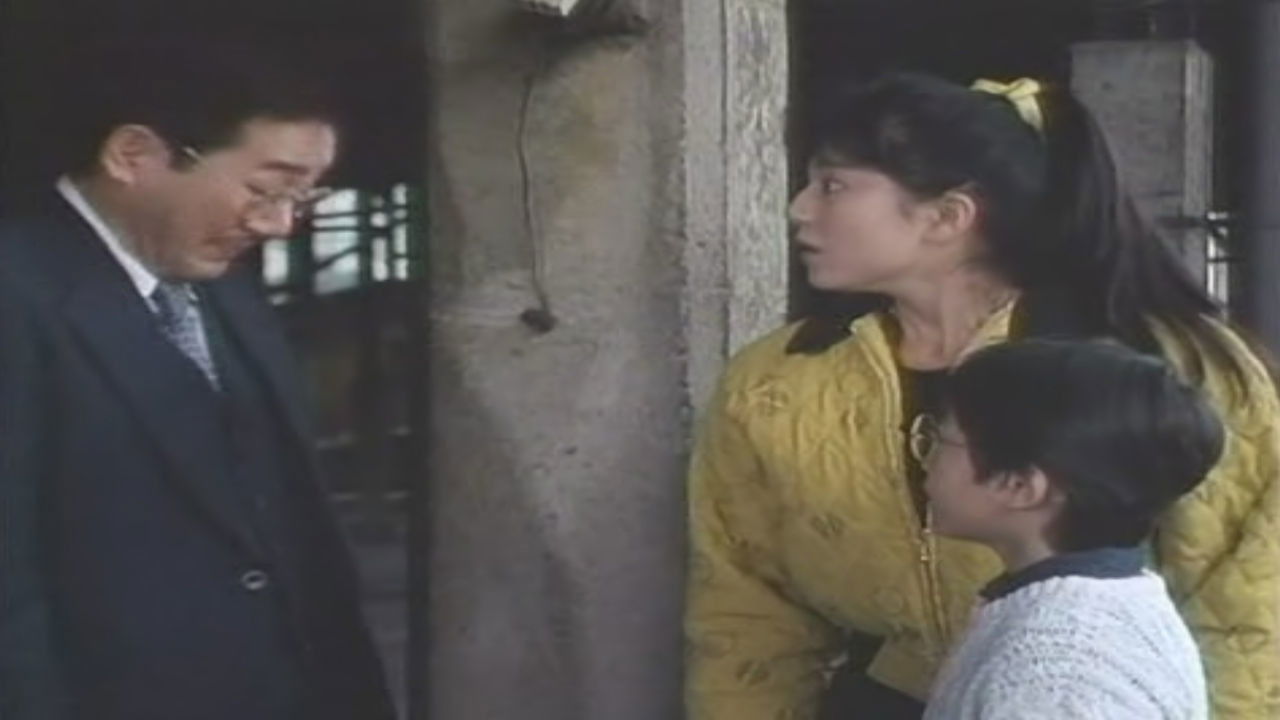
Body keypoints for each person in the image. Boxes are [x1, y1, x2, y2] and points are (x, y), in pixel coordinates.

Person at [684, 72, 1280, 720]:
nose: (799, 208)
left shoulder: (1161, 363)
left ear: (948, 216)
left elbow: (1252, 608)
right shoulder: (775, 384)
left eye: (833, 185)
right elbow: (748, 613)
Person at [0, 43, 394, 720]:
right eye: (264, 189)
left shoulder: (224, 287)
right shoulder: (17, 293)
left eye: (302, 196)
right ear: (133, 155)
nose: (279, 223)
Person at [921, 339, 1219, 720]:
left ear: (1019, 486)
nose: (927, 460)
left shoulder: (1061, 682)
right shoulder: (1093, 607)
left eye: (940, 441)